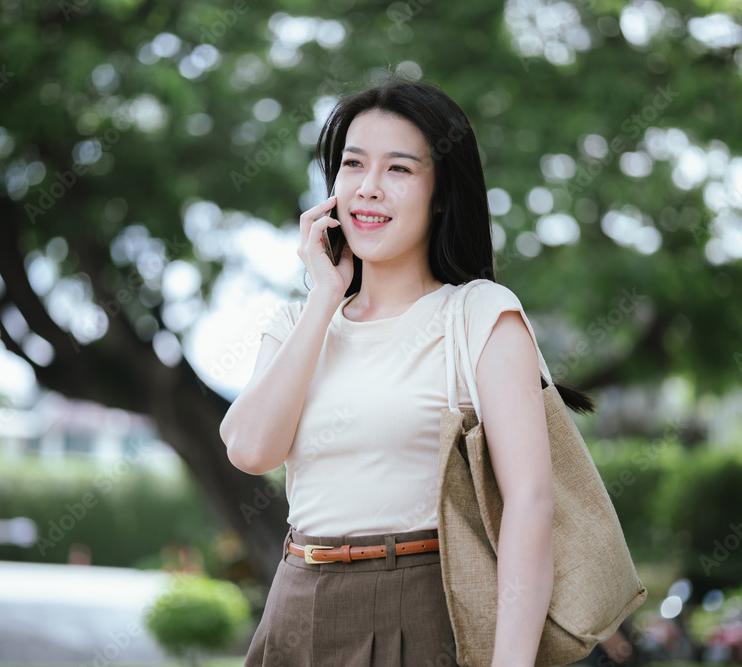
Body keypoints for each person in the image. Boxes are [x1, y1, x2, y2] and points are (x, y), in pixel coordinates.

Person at [219, 77, 555, 667]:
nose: (368, 187)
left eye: (398, 169)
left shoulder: (478, 316)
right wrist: (326, 296)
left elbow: (529, 501)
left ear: (441, 194)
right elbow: (250, 450)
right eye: (353, 164)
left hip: (417, 609)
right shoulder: (297, 320)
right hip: (295, 605)